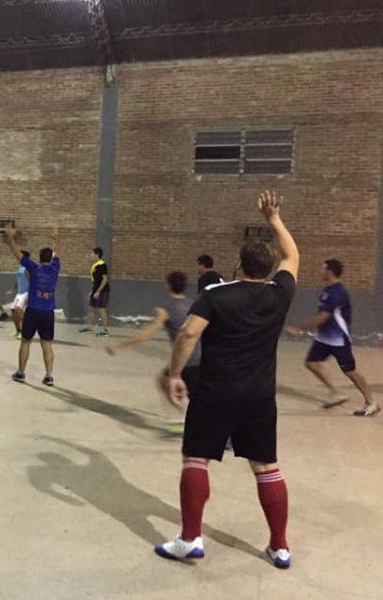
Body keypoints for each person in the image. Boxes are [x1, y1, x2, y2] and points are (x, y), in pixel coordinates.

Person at [155, 190, 298, 570]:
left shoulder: (216, 296)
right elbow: (293, 255)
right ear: (268, 268)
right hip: (259, 397)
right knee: (266, 467)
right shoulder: (280, 295)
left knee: (195, 458)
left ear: (239, 265)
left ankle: (190, 540)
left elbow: (187, 335)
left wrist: (173, 375)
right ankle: (280, 547)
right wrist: (274, 219)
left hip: (216, 393)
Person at [106, 271, 199, 435]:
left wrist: (119, 345)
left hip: (185, 361)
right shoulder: (194, 304)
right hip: (202, 358)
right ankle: (185, 418)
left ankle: (182, 418)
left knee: (168, 383)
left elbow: (146, 335)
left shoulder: (165, 308)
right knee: (168, 381)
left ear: (168, 285)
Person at [285, 259, 378, 416]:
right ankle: (336, 393)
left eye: (323, 269)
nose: (321, 272)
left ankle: (371, 402)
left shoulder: (337, 293)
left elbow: (322, 317)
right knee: (311, 363)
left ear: (330, 272)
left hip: (338, 340)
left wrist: (298, 328)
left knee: (350, 371)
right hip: (324, 338)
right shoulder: (328, 290)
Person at [4, 225, 60, 386]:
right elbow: (57, 253)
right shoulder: (55, 268)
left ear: (39, 257)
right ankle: (49, 376)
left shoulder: (34, 268)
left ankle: (21, 373)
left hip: (34, 311)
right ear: (50, 258)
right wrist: (56, 238)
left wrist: (11, 238)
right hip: (48, 312)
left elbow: (17, 254)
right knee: (47, 344)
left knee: (26, 341)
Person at [82, 248, 110, 336]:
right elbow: (95, 280)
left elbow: (104, 280)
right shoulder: (95, 265)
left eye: (92, 253)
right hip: (95, 290)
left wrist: (98, 291)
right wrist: (92, 291)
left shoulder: (102, 265)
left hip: (102, 291)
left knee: (101, 309)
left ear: (97, 254)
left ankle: (105, 331)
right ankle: (90, 328)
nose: (91, 255)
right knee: (91, 308)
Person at [8, 251, 31, 340]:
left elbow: (32, 281)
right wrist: (12, 289)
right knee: (13, 310)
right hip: (19, 293)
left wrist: (32, 294)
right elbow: (17, 279)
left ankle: (26, 332)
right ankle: (18, 330)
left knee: (19, 310)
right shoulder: (20, 267)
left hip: (26, 293)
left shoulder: (27, 268)